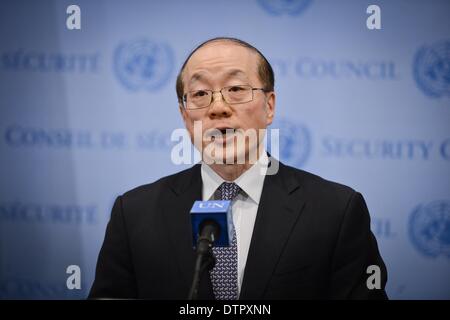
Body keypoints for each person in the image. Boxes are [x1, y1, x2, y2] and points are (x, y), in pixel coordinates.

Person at [89, 37, 388, 300]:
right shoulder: (134, 213)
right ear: (184, 116)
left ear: (269, 106)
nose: (217, 107)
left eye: (235, 88)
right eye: (200, 94)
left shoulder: (336, 211)